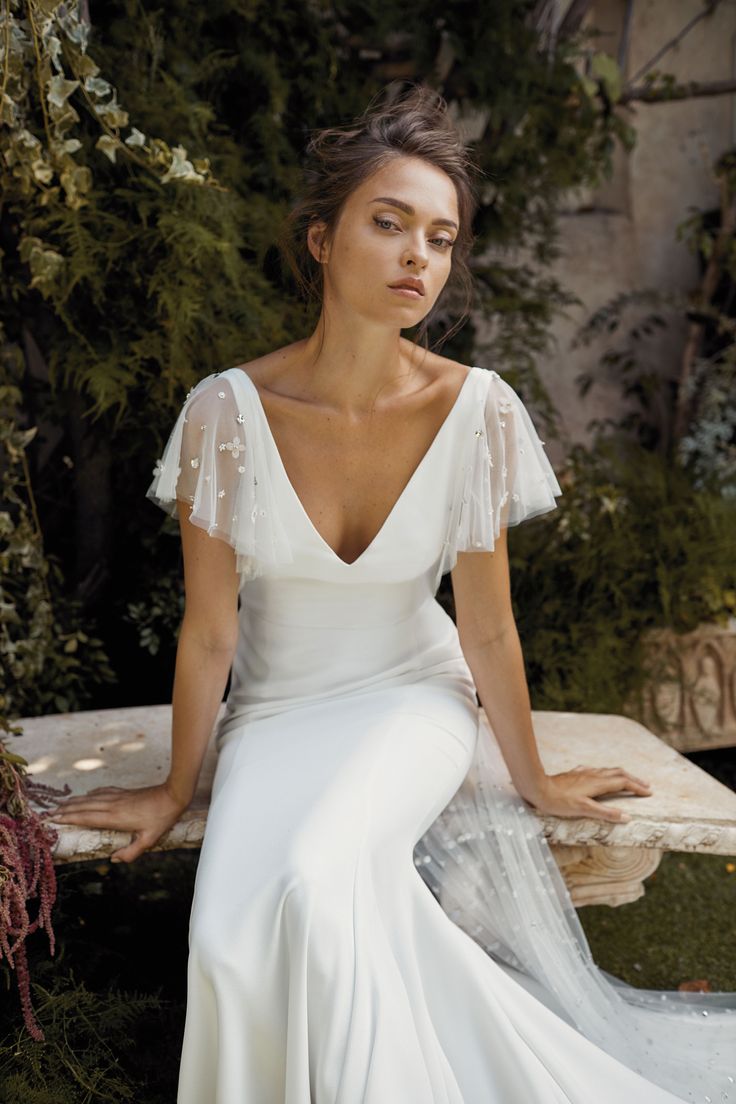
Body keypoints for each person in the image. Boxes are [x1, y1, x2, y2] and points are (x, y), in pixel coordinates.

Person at [48, 84, 734, 1103]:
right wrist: (176, 784)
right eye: (390, 223)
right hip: (277, 714)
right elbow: (208, 634)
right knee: (236, 934)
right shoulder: (225, 414)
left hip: (411, 697)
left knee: (318, 877)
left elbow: (488, 629)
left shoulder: (477, 410)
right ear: (321, 240)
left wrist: (535, 779)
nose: (421, 255)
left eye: (442, 237)